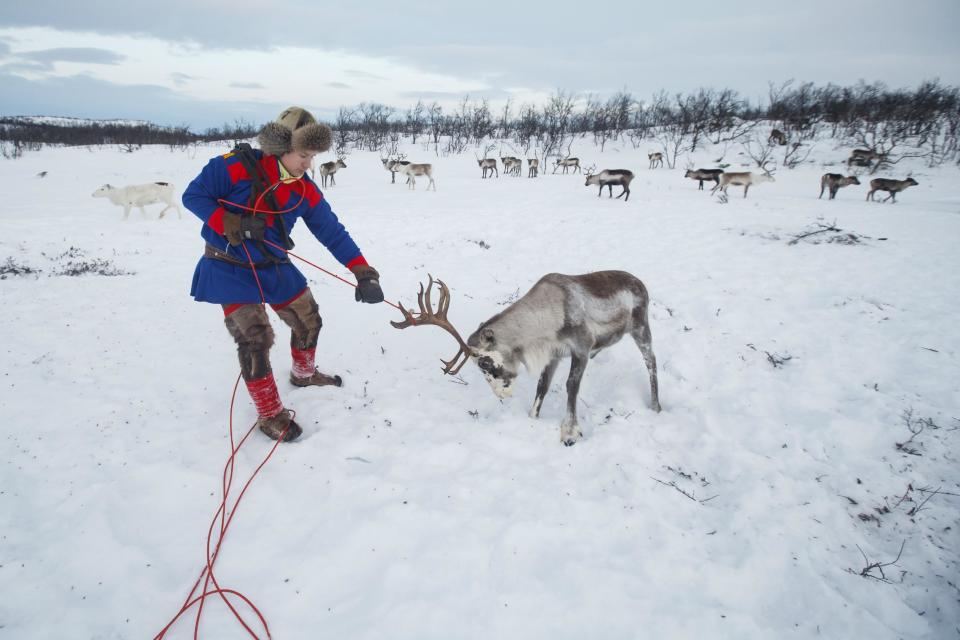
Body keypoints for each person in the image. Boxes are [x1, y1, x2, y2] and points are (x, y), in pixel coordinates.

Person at [183, 106, 383, 442]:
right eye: (304, 155)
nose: (309, 165)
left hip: (272, 264)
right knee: (255, 339)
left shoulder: (304, 189)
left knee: (308, 320)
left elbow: (331, 231)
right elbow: (193, 196)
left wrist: (363, 272)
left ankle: (303, 374)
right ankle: (269, 413)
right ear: (281, 148)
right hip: (228, 265)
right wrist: (231, 223)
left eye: (314, 157)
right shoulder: (231, 167)